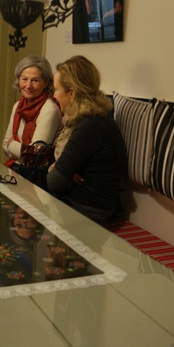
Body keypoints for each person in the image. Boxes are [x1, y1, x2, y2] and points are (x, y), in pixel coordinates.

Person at [46, 56, 128, 225]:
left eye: (56, 89)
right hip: (79, 204)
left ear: (71, 93)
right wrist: (61, 170)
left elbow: (53, 181)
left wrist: (58, 169)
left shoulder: (90, 126)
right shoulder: (94, 119)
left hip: (85, 211)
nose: (54, 96)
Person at [2, 55, 62, 167]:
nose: (28, 86)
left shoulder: (50, 110)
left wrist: (12, 145)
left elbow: (34, 157)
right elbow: (4, 145)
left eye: (35, 80)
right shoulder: (17, 106)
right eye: (24, 79)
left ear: (45, 83)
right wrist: (22, 151)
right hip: (16, 167)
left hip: (35, 173)